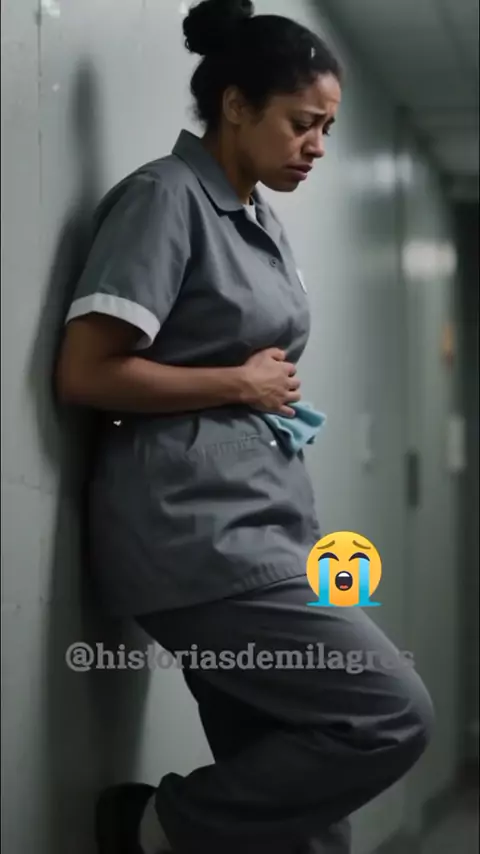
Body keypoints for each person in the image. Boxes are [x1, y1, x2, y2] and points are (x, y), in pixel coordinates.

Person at [56, 1, 434, 852]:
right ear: (235, 104)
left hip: (260, 522)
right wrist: (240, 380)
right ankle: (154, 827)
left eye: (328, 128)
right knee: (389, 712)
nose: (317, 146)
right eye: (302, 123)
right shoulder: (165, 198)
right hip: (197, 537)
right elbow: (85, 373)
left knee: (303, 820)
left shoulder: (257, 218)